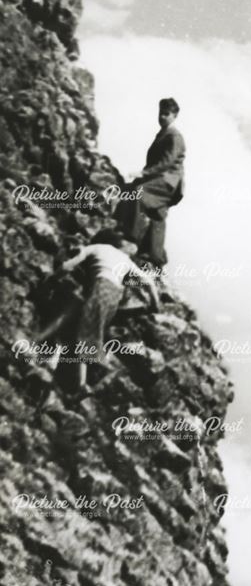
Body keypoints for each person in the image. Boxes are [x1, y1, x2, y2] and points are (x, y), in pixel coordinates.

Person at [37, 228, 160, 391]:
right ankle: (87, 371)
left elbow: (68, 266)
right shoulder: (125, 259)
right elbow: (149, 283)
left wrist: (52, 278)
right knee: (93, 329)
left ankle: (82, 383)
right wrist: (155, 305)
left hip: (100, 289)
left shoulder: (96, 248)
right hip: (114, 298)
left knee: (86, 333)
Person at [119, 97, 186, 267]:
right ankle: (156, 257)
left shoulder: (174, 136)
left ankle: (131, 238)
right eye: (160, 113)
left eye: (166, 114)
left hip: (168, 181)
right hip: (164, 180)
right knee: (158, 215)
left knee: (138, 193)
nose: (162, 117)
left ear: (175, 115)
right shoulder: (163, 134)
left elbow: (166, 163)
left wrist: (143, 173)